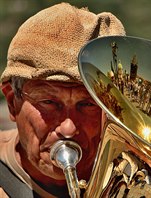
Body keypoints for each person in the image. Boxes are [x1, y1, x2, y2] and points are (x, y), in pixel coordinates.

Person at [0, 2, 125, 197]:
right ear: (11, 102)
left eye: (88, 104)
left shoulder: (138, 177)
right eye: (49, 102)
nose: (68, 129)